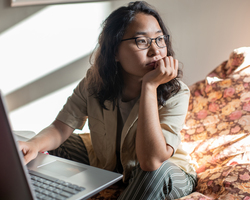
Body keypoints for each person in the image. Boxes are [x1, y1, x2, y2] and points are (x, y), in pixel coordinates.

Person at [19, 1, 197, 199]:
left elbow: (151, 161)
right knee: (37, 145)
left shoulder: (177, 92)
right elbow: (61, 127)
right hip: (109, 163)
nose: (156, 51)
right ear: (114, 51)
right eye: (142, 41)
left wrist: (150, 87)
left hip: (167, 172)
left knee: (154, 173)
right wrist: (34, 145)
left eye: (159, 39)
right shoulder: (95, 82)